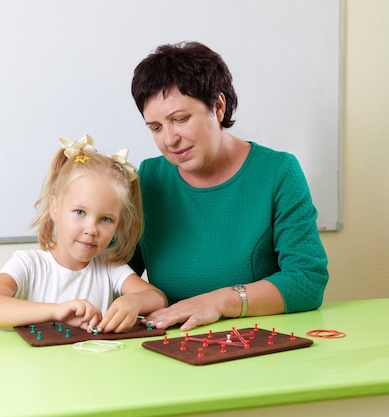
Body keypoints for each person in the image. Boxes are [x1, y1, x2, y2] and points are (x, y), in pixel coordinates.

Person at [129, 41, 329, 332]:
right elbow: (110, 270)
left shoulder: (278, 172)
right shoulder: (148, 178)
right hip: (169, 343)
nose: (169, 140)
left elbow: (307, 279)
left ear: (218, 106)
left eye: (180, 119)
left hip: (255, 346)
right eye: (156, 127)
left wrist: (220, 302)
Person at [0, 135, 167, 333]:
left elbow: (157, 298)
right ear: (55, 208)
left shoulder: (109, 266)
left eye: (106, 219)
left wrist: (132, 302)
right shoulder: (28, 264)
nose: (91, 229)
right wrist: (56, 311)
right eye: (80, 212)